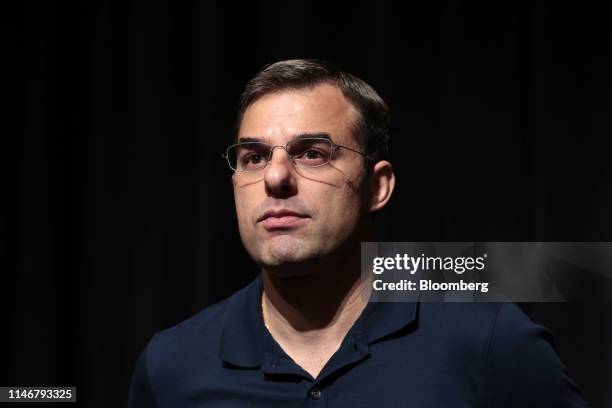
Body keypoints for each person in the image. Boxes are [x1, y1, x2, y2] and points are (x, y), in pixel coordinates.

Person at [129, 59, 589, 407]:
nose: (275, 178)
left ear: (377, 186)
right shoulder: (171, 366)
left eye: (312, 153)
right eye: (254, 157)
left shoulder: (487, 340)